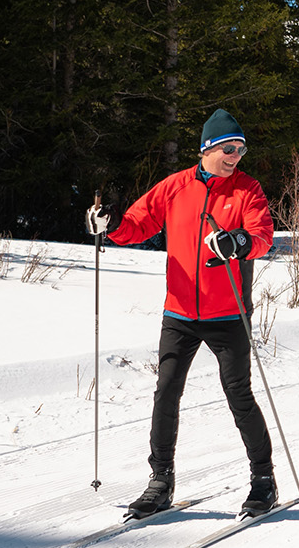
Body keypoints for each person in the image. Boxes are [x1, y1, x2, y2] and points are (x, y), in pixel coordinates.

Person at [85, 107, 277, 519]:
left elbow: (262, 236)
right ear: (207, 148)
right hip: (180, 313)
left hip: (228, 313)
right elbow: (137, 224)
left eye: (240, 150)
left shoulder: (247, 190)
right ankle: (161, 481)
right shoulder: (175, 187)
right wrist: (110, 222)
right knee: (166, 392)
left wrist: (239, 242)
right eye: (228, 148)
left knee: (238, 395)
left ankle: (263, 480)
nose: (235, 157)